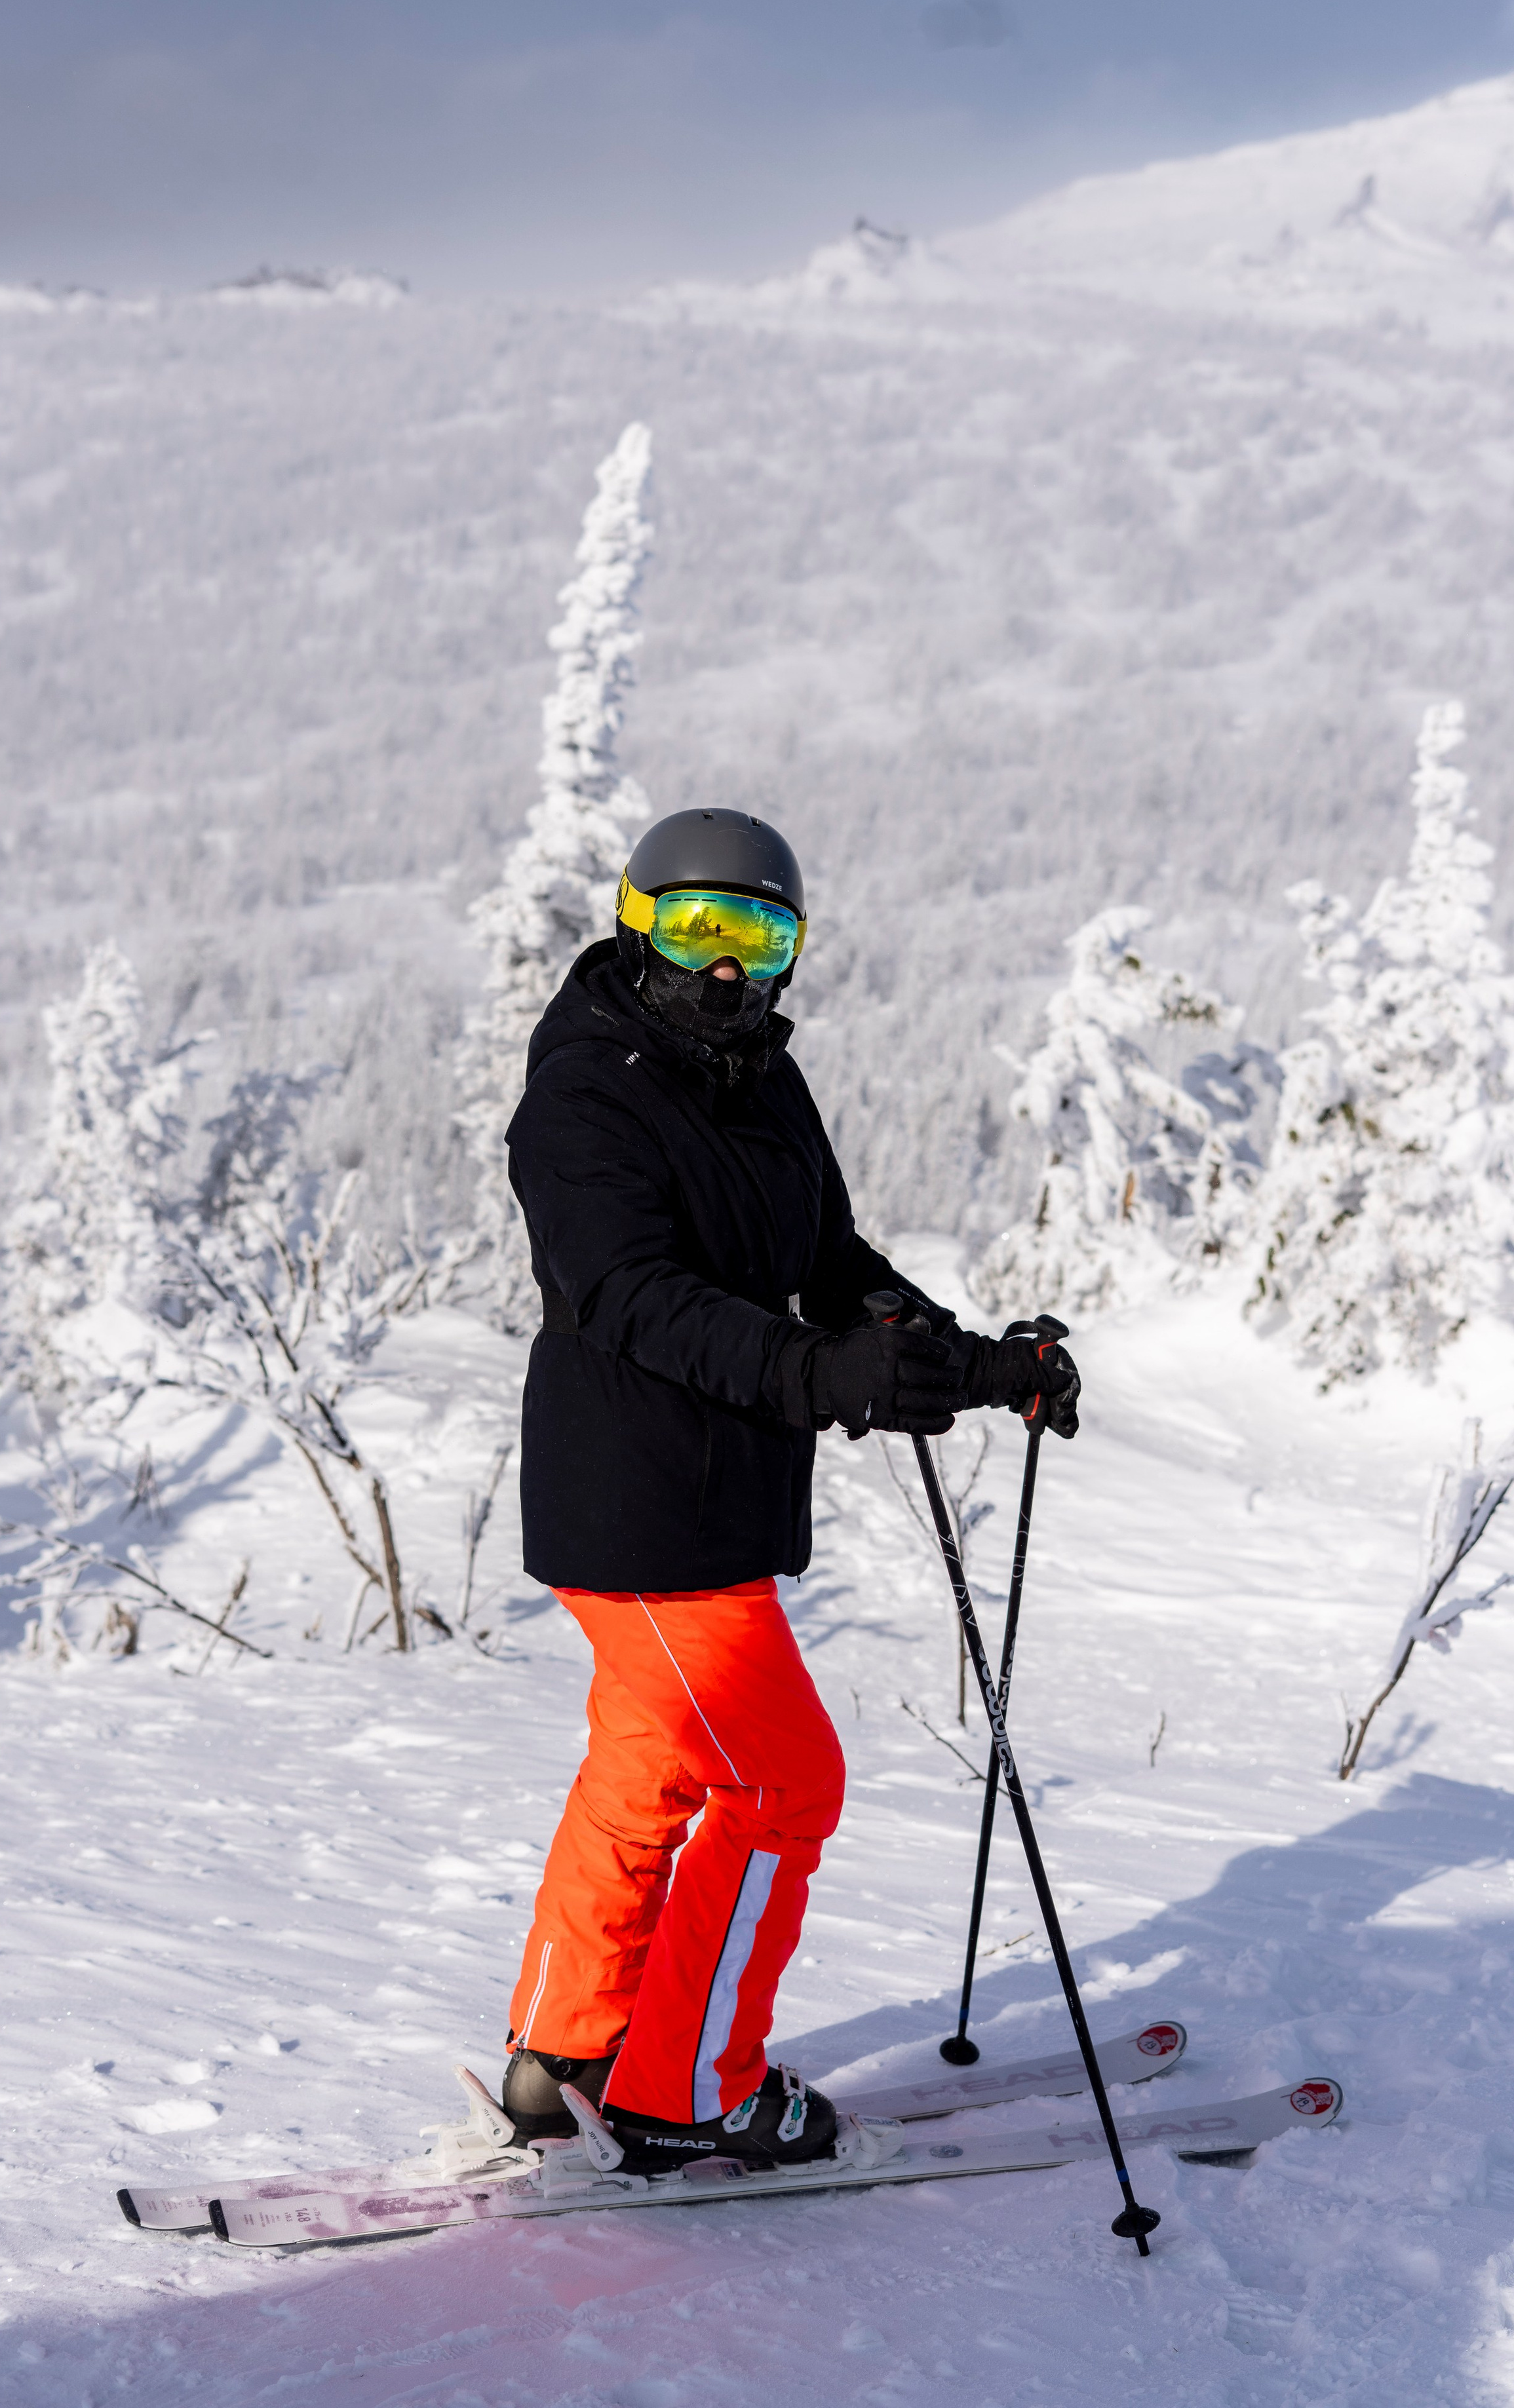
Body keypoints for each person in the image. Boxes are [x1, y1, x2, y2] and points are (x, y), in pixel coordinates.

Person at [497, 807, 1079, 2174]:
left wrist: (978, 1364)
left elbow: (832, 1265)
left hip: (709, 1500)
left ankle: (562, 2057)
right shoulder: (584, 1094)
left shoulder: (757, 1077)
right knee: (783, 1781)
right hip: (639, 1507)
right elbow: (629, 1294)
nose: (725, 965)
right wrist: (820, 1375)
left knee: (649, 1769)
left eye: (756, 935)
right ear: (637, 925)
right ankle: (690, 2088)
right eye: (698, 927)